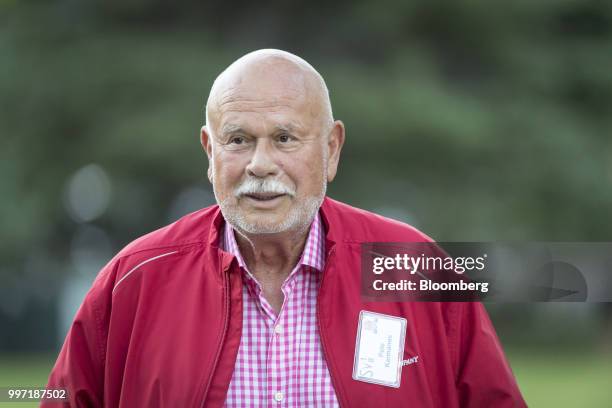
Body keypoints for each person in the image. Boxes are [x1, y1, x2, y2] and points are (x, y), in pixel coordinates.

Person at [45, 49, 526, 407]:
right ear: (210, 152)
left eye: (284, 138)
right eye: (238, 140)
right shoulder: (134, 281)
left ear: (331, 149)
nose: (260, 164)